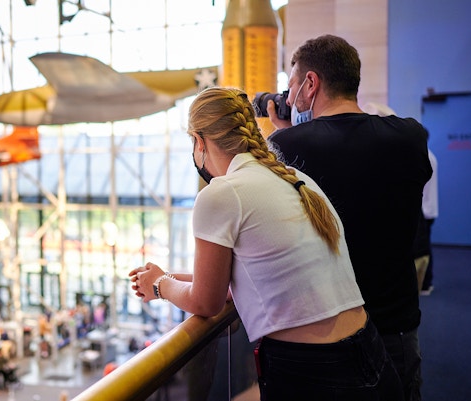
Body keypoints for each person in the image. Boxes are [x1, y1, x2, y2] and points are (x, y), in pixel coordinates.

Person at [129, 86, 403, 400]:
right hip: (370, 352)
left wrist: (159, 285)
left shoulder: (220, 194)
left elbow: (207, 302)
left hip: (315, 372)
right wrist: (169, 276)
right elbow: (253, 274)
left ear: (199, 141)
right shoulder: (295, 178)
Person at [265, 35, 432, 401]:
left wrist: (284, 133)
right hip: (398, 323)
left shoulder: (291, 146)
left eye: (292, 88)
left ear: (311, 84)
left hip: (330, 332)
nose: (289, 100)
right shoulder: (409, 137)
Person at [419, 141, 438, 295]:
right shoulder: (429, 155)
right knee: (425, 246)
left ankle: (426, 282)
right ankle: (426, 282)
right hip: (428, 209)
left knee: (424, 248)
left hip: (425, 210)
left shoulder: (426, 157)